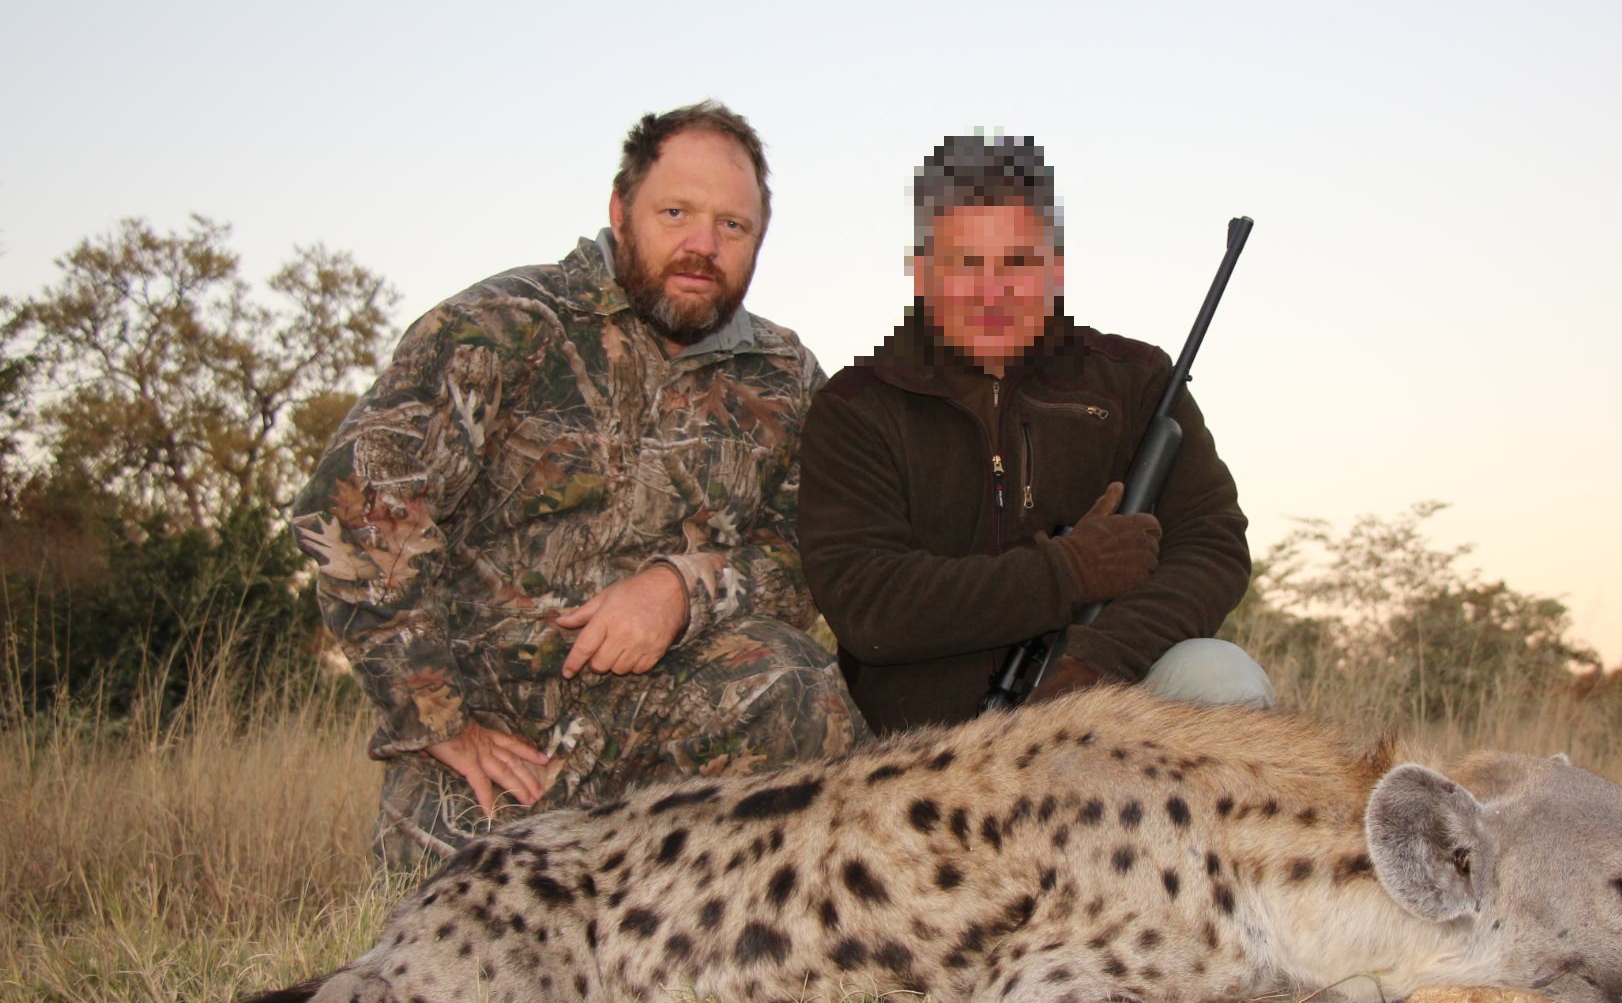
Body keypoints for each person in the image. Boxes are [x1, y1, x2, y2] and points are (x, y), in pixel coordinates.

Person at [294, 102, 867, 865]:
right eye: (676, 212)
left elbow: (816, 551)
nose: (703, 245)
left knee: (800, 683)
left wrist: (679, 589)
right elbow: (354, 513)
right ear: (619, 211)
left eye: (734, 226)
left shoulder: (788, 378)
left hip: (681, 716)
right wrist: (437, 718)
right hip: (507, 743)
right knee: (465, 945)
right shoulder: (503, 326)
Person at [797, 134, 1267, 734]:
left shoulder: (1137, 380)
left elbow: (1212, 547)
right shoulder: (855, 404)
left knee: (1221, 677)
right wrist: (1068, 571)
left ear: (1056, 266)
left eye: (1017, 262)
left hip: (1110, 706)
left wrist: (1094, 664)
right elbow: (869, 602)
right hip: (924, 751)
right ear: (921, 269)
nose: (994, 292)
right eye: (967, 264)